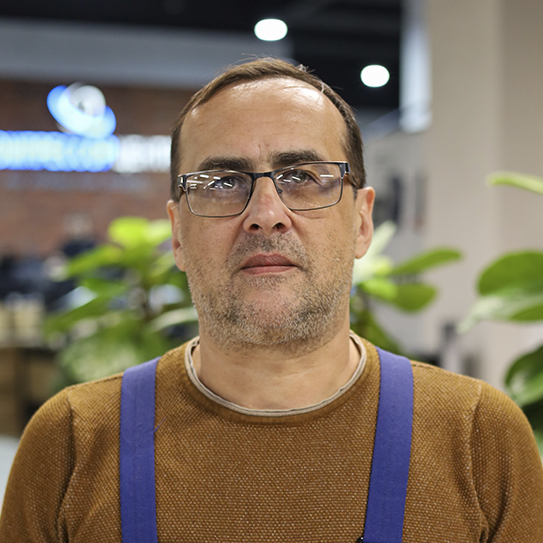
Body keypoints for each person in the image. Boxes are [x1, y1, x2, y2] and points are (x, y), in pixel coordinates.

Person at [1, 58, 543, 543]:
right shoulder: (72, 442)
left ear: (361, 221)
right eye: (222, 182)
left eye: (302, 177)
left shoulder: (478, 438)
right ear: (177, 233)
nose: (265, 214)